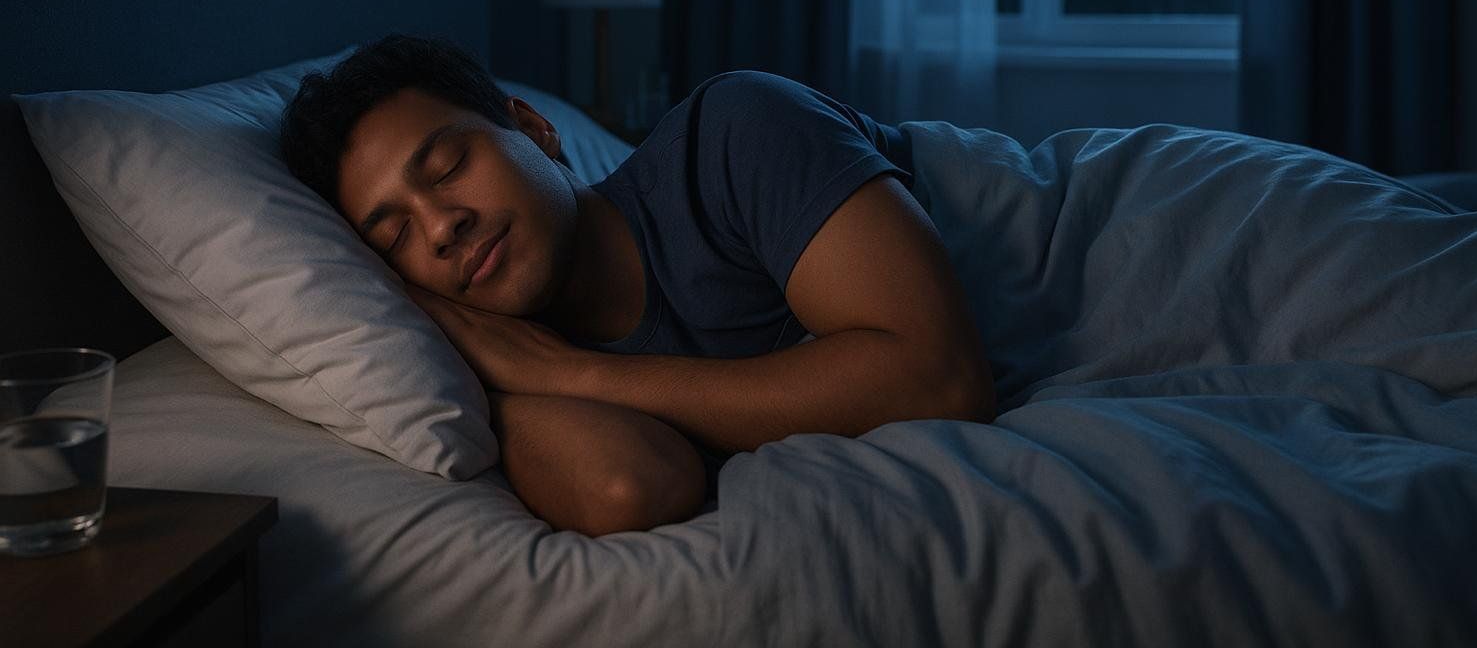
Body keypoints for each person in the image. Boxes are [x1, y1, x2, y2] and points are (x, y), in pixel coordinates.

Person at [280, 34, 994, 536]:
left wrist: (572, 372)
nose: (440, 227)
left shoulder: (735, 131)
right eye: (394, 236)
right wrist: (504, 373)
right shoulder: (520, 364)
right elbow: (631, 487)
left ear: (531, 127)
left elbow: (942, 379)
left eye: (445, 167)